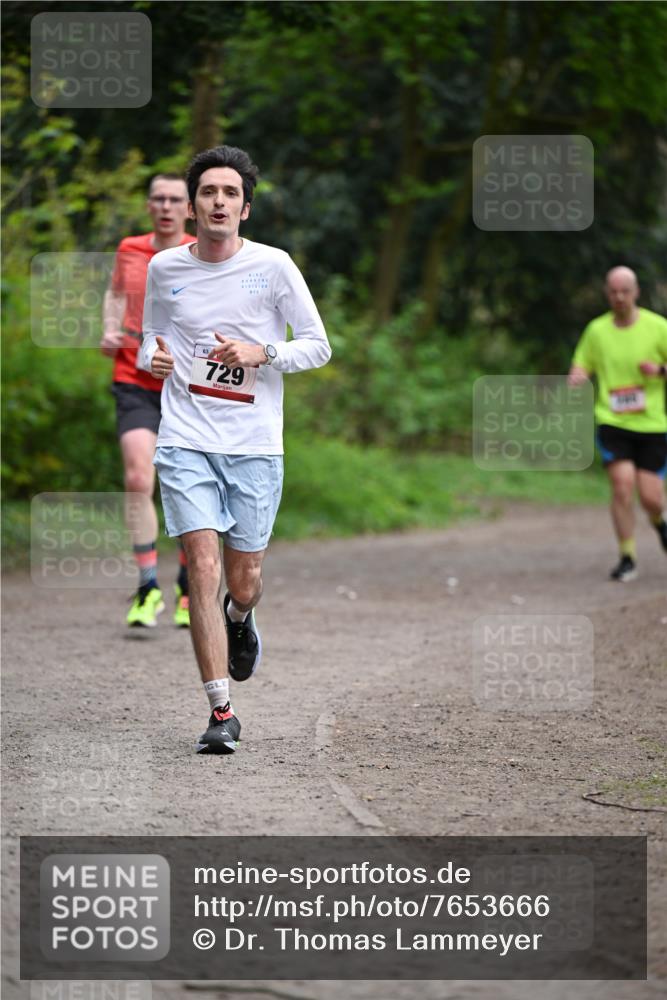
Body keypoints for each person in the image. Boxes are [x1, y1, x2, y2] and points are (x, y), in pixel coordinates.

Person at [138, 145, 331, 754]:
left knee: (242, 580)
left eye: (230, 194)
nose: (218, 202)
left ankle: (241, 618)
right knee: (201, 566)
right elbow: (148, 339)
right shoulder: (165, 269)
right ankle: (221, 710)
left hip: (252, 446)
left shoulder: (273, 267)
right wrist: (154, 357)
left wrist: (261, 353)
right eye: (208, 193)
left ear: (245, 209)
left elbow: (319, 346)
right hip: (186, 437)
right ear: (192, 206)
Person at [100, 175, 196, 627]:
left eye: (175, 199)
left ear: (188, 208)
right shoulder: (130, 248)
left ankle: (189, 587)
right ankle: (147, 586)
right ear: (148, 205)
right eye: (158, 198)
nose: (166, 206)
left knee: (188, 484)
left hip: (187, 386)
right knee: (140, 478)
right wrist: (108, 326)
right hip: (133, 378)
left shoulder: (201, 253)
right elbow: (116, 293)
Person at [568, 266, 667, 581]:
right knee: (622, 488)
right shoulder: (596, 331)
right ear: (607, 293)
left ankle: (660, 523)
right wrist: (578, 377)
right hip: (612, 421)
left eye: (625, 290)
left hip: (653, 424)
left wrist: (660, 371)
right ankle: (627, 555)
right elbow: (581, 365)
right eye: (613, 291)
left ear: (636, 292)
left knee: (651, 497)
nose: (619, 297)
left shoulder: (658, 327)